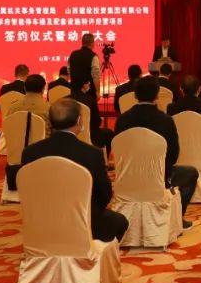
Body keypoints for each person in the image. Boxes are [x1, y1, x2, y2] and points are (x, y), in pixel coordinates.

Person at [21, 99, 128, 243]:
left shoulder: (30, 152)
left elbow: (27, 190)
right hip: (82, 220)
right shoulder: (91, 154)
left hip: (42, 220)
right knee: (120, 222)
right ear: (79, 120)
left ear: (50, 122)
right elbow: (104, 194)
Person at [114, 76, 198, 226]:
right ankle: (177, 218)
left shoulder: (122, 120)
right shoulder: (165, 120)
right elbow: (174, 154)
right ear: (157, 95)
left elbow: (118, 150)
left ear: (135, 95)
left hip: (128, 176)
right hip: (159, 177)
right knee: (191, 173)